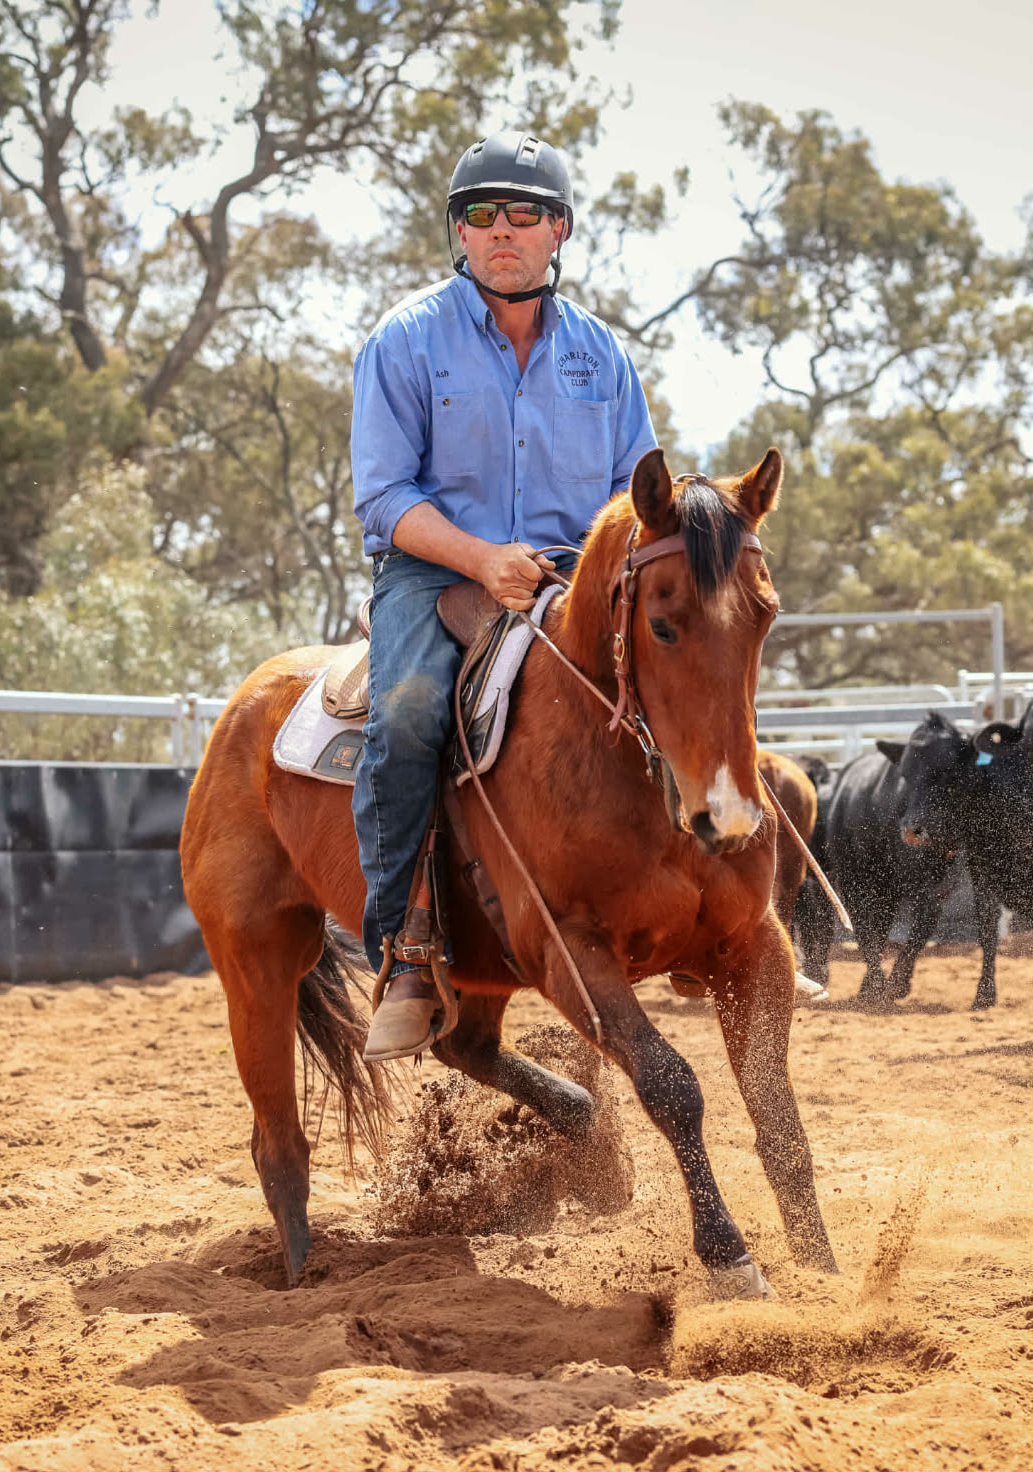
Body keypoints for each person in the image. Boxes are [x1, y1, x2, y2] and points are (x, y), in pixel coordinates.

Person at [349, 132, 657, 1060]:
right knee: (407, 714)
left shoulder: (602, 355)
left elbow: (635, 492)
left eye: (525, 214)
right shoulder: (405, 340)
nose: (502, 230)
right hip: (438, 573)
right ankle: (407, 952)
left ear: (558, 231)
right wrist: (482, 560)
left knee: (686, 677)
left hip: (575, 577)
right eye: (480, 214)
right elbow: (384, 495)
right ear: (459, 231)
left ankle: (718, 900)